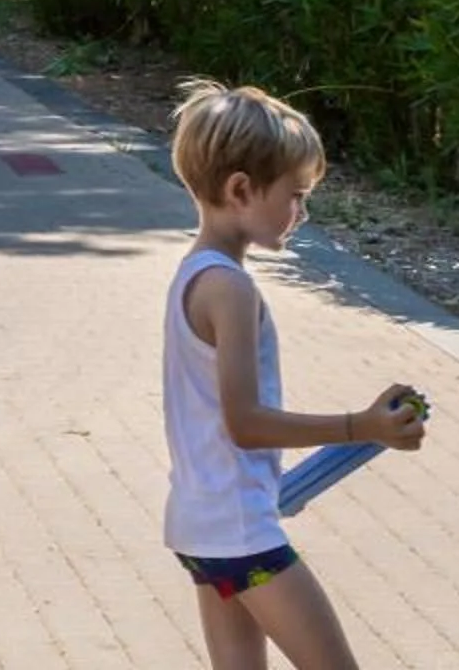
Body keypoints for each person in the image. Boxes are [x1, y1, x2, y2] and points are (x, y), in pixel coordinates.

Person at [164, 81, 429, 670]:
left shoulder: (192, 274)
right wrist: (363, 426)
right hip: (241, 533)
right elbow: (245, 423)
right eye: (296, 195)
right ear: (241, 189)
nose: (302, 212)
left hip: (201, 526)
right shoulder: (229, 288)